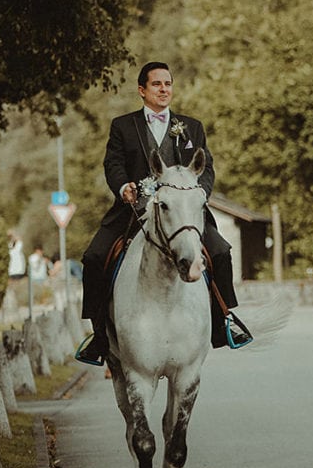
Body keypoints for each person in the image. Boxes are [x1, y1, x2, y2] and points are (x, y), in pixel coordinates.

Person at [77, 60, 250, 365]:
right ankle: (100, 336)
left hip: (182, 211)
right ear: (142, 90)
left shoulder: (191, 126)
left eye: (168, 84)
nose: (164, 89)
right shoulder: (122, 126)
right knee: (93, 257)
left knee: (221, 252)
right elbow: (113, 164)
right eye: (157, 84)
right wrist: (123, 188)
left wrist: (199, 194)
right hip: (133, 209)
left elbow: (206, 167)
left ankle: (224, 323)